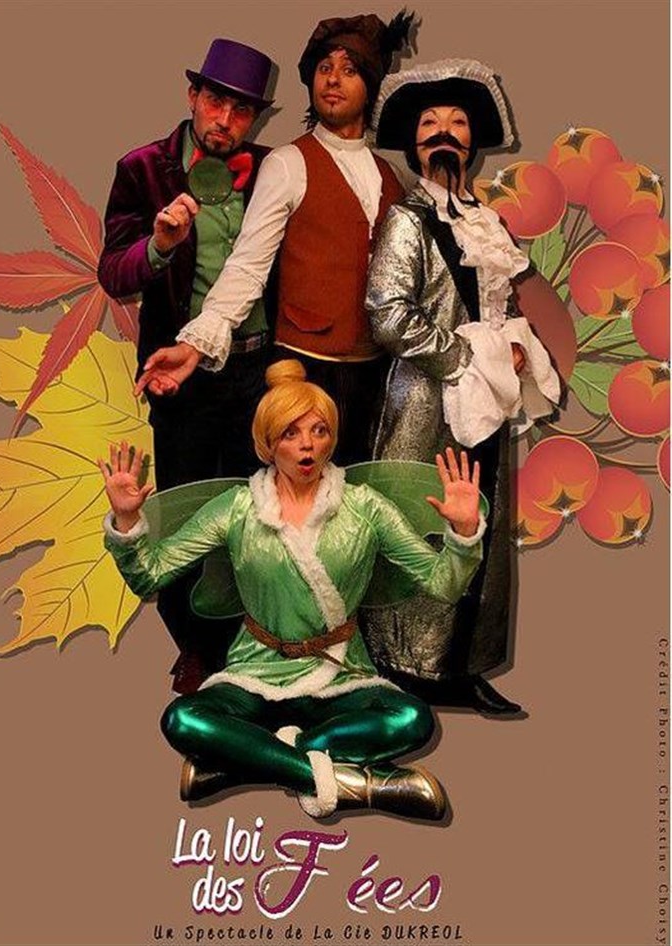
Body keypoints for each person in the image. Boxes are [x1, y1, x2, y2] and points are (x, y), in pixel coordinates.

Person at [100, 361, 485, 821]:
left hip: (339, 673)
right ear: (268, 443)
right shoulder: (237, 508)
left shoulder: (366, 507)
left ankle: (243, 762)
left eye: (319, 431)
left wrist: (463, 534)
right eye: (291, 433)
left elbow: (443, 585)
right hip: (255, 674)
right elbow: (150, 575)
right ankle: (361, 784)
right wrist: (127, 521)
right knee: (182, 719)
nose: (308, 444)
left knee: (412, 719)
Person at [363, 59, 565, 715]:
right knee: (420, 524)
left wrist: (514, 349)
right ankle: (401, 667)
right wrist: (463, 358)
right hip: (425, 401)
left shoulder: (486, 222)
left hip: (487, 401)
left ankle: (463, 665)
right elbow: (388, 313)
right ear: (415, 144)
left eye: (456, 123)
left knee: (481, 523)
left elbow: (496, 306)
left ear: (472, 142)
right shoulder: (406, 219)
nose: (444, 133)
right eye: (430, 124)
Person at [135, 12, 413, 465]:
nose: (333, 80)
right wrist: (196, 343)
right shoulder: (288, 163)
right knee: (299, 497)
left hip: (375, 371)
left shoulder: (393, 176)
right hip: (302, 367)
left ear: (371, 84)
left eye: (348, 70)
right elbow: (248, 264)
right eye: (324, 68)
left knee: (362, 493)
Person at [97, 39, 277, 694]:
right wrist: (159, 245)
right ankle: (196, 647)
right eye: (216, 101)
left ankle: (259, 642)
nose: (225, 120)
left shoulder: (273, 169)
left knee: (261, 508)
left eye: (242, 110)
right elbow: (113, 274)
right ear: (192, 96)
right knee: (184, 510)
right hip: (182, 373)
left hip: (262, 368)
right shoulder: (142, 169)